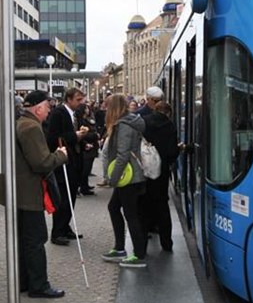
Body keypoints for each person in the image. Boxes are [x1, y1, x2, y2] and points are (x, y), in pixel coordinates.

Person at [0, 90, 68, 298]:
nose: (48, 112)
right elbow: (41, 162)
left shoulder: (19, 123)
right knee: (36, 239)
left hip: (16, 192)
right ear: (38, 108)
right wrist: (60, 156)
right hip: (27, 193)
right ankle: (39, 285)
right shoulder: (31, 127)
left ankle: (24, 281)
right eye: (47, 107)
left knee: (24, 238)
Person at [101, 94, 148, 268]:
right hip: (129, 176)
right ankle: (120, 248)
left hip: (129, 177)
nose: (105, 109)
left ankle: (139, 255)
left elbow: (122, 155)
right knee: (114, 207)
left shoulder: (124, 125)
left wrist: (112, 179)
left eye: (107, 106)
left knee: (130, 214)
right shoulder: (129, 122)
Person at [46, 87, 89, 245]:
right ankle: (57, 232)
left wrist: (83, 141)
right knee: (63, 198)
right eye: (78, 100)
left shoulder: (75, 114)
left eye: (81, 99)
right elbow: (53, 138)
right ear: (69, 99)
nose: (81, 103)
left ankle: (65, 226)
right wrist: (75, 136)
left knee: (71, 196)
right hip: (64, 163)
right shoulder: (58, 113)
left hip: (75, 161)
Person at [140, 100, 180, 252]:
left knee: (144, 208)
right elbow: (171, 153)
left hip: (145, 171)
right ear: (168, 113)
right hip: (161, 172)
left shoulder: (144, 122)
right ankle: (166, 243)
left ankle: (142, 246)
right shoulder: (170, 126)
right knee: (162, 207)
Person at [75, 103, 98, 196]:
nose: (88, 110)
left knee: (87, 168)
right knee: (85, 169)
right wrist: (94, 135)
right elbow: (83, 134)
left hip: (92, 146)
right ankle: (81, 187)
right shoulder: (80, 121)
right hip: (86, 147)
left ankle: (85, 186)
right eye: (86, 108)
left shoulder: (88, 119)